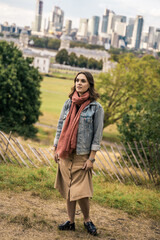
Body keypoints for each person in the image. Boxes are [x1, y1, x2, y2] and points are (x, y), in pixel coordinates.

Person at [53, 71, 104, 236]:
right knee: (68, 189)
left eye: (82, 81)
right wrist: (56, 149)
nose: (79, 83)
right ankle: (71, 222)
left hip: (82, 155)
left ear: (89, 84)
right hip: (66, 153)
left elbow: (97, 135)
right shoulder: (68, 103)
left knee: (81, 192)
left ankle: (87, 220)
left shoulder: (96, 107)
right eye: (77, 80)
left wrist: (92, 158)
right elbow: (60, 127)